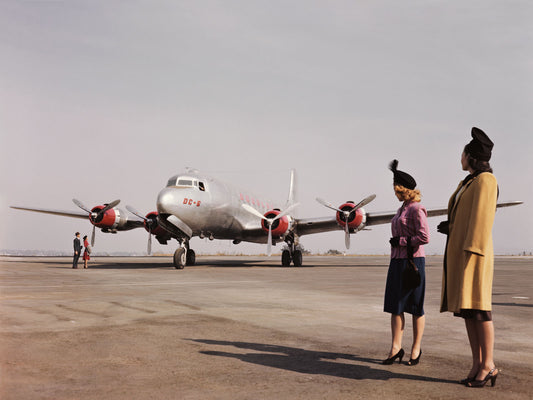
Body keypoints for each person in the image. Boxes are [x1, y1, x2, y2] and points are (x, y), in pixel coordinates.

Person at [438, 127, 499, 388]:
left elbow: (482, 222)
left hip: (475, 256)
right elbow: (466, 217)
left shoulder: (486, 181)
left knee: (481, 312)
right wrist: (451, 227)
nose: (460, 158)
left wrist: (471, 253)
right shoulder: (469, 182)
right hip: (463, 254)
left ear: (471, 156)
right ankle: (477, 363)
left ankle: (489, 365)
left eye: (462, 153)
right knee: (469, 313)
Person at [383, 160, 429, 366]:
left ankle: (416, 348)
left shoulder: (417, 209)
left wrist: (401, 241)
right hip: (396, 261)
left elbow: (424, 236)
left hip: (413, 262)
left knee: (416, 306)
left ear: (402, 189)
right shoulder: (401, 209)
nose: (393, 191)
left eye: (395, 188)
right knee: (396, 306)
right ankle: (395, 347)